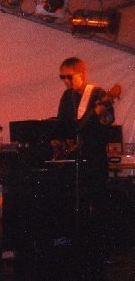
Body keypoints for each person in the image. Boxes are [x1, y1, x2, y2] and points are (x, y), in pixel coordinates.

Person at [56, 57, 115, 277]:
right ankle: (74, 249)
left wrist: (103, 114)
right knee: (73, 203)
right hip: (73, 159)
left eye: (68, 76)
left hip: (94, 158)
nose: (65, 81)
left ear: (81, 74)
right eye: (62, 77)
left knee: (97, 204)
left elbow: (108, 121)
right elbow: (62, 125)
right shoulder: (66, 96)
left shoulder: (98, 94)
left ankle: (99, 252)